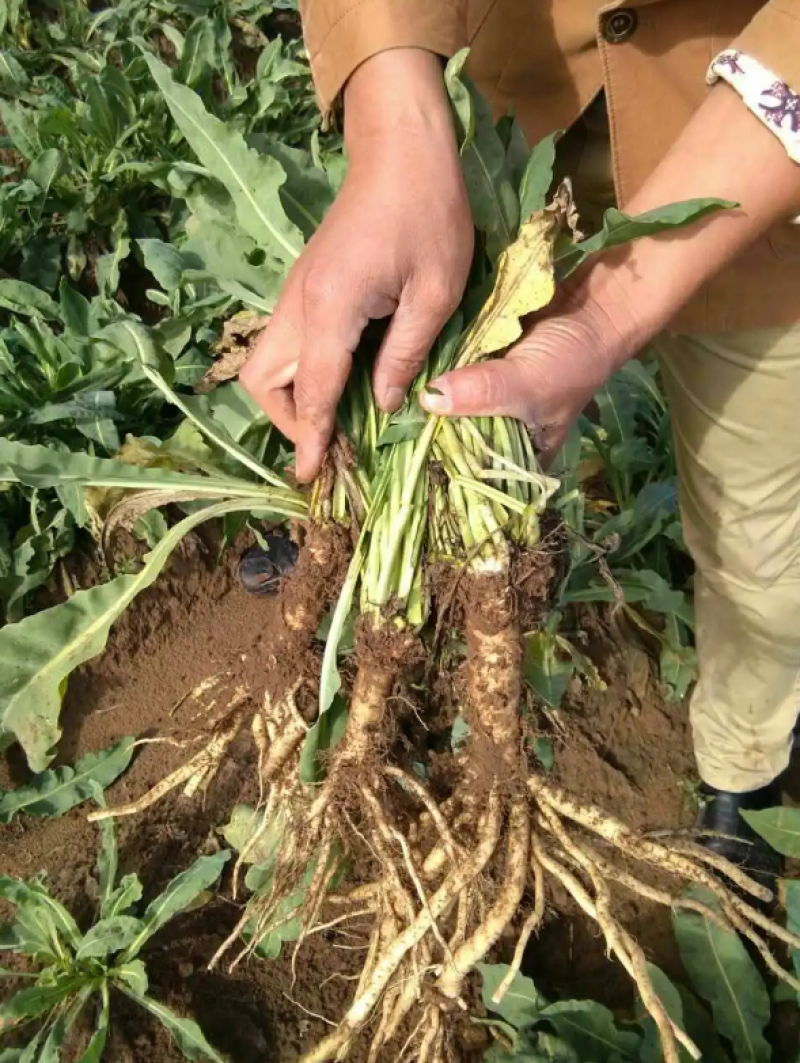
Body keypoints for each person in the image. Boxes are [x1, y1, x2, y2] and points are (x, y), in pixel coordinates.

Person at [237, 1, 800, 891]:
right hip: (509, 82)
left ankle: (745, 764)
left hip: (763, 167)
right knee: (400, 357)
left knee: (759, 536)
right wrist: (395, 112)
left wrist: (613, 309)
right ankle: (356, 543)